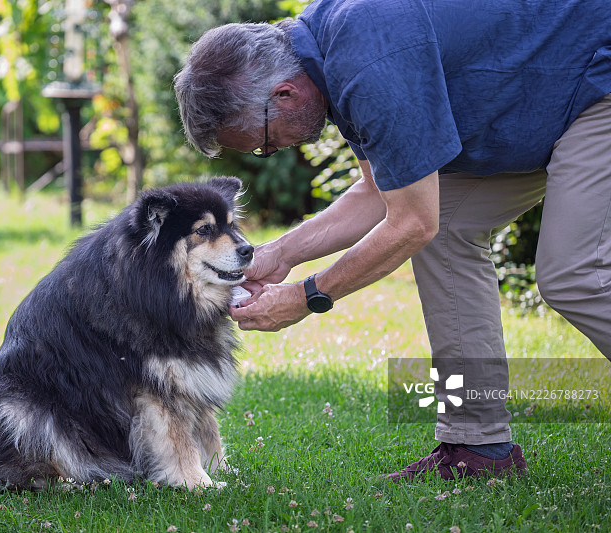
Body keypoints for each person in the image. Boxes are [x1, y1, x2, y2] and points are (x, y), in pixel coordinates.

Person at [173, 0, 611, 481]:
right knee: (447, 231)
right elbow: (378, 193)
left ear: (283, 93)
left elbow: (411, 222)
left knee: (574, 272)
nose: (271, 151)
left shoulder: (370, 62)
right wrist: (279, 255)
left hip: (597, 82)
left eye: (263, 141)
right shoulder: (325, 56)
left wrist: (307, 297)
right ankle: (479, 449)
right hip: (555, 100)